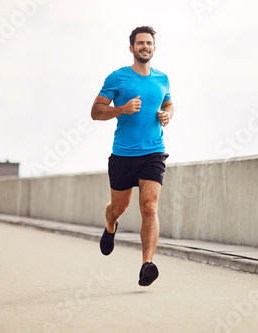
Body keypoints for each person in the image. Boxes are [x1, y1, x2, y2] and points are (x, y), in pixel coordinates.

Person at [91, 26, 174, 287]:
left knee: (149, 208)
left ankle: (146, 264)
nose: (145, 46)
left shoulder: (162, 79)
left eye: (149, 43)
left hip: (153, 151)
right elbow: (96, 111)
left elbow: (168, 103)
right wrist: (122, 109)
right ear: (132, 48)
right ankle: (111, 224)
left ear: (154, 48)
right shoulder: (118, 78)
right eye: (140, 43)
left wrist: (167, 115)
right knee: (119, 207)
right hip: (123, 154)